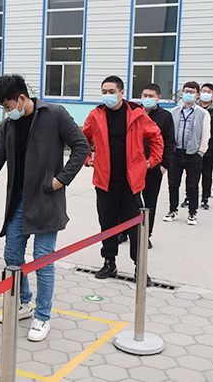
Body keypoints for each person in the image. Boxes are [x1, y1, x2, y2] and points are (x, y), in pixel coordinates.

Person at [0, 75, 88, 342]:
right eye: (3, 108)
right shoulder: (10, 124)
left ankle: (43, 316)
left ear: (22, 98)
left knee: (43, 259)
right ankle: (24, 303)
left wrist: (61, 179)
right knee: (12, 256)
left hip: (46, 199)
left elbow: (81, 146)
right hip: (18, 201)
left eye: (8, 106)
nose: (7, 112)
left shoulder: (54, 114)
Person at [82, 76, 163, 283]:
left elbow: (156, 137)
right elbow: (82, 138)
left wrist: (151, 161)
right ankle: (109, 263)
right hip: (105, 182)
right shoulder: (96, 115)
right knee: (107, 224)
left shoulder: (137, 114)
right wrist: (87, 158)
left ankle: (140, 268)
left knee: (136, 228)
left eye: (111, 91)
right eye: (104, 92)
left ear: (122, 93)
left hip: (131, 183)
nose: (107, 95)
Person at [163, 82, 210, 226]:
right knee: (173, 184)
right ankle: (173, 210)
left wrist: (200, 152)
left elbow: (205, 135)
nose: (188, 94)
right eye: (186, 91)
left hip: (193, 155)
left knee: (192, 185)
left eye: (191, 92)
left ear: (197, 95)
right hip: (176, 154)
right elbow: (168, 133)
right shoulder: (174, 111)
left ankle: (192, 213)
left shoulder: (203, 113)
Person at [139, 83, 175, 248]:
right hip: (133, 166)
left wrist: (164, 165)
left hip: (153, 167)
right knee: (129, 201)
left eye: (151, 96)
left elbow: (170, 142)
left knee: (149, 202)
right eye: (144, 95)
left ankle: (146, 235)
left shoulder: (165, 117)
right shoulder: (135, 113)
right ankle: (125, 232)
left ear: (158, 98)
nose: (147, 99)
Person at [181, 83, 213, 210]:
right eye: (204, 91)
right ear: (199, 93)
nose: (206, 93)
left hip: (209, 148)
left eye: (209, 92)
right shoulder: (194, 108)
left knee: (207, 174)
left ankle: (205, 198)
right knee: (191, 175)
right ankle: (189, 197)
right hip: (193, 147)